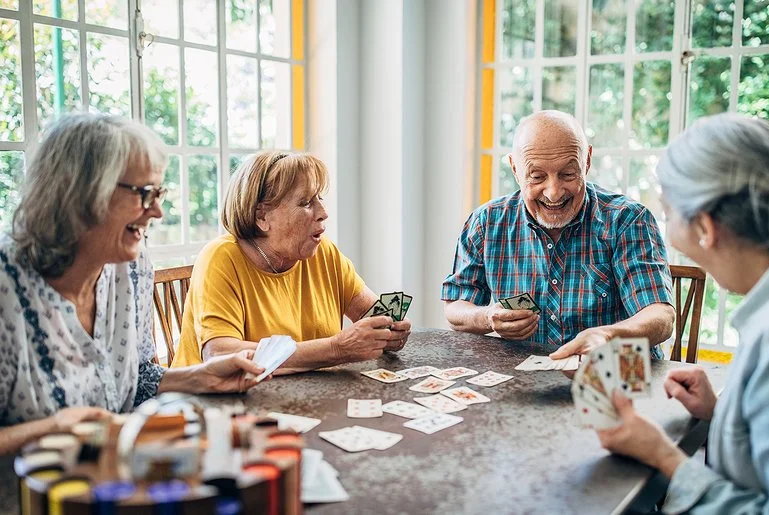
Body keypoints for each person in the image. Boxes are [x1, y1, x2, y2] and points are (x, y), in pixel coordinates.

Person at [0, 113, 269, 455]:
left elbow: (137, 378)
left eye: (159, 192)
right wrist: (51, 429)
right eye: (144, 193)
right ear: (79, 193)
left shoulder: (133, 266)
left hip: (111, 482)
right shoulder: (6, 286)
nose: (157, 211)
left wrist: (199, 376)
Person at [596, 114, 769, 513]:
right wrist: (724, 413)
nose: (668, 230)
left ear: (705, 227)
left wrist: (665, 457)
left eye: (669, 214)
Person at [442, 110, 674, 358]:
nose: (553, 193)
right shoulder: (485, 222)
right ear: (514, 169)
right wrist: (487, 317)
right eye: (537, 176)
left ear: (586, 162)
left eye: (567, 174)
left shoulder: (627, 220)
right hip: (524, 382)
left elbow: (661, 317)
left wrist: (607, 336)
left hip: (613, 376)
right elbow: (456, 306)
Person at [170, 151, 411, 371]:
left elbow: (371, 314)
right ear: (262, 217)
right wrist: (336, 349)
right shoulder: (221, 257)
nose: (323, 212)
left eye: (319, 198)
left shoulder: (323, 251)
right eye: (306, 203)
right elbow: (220, 353)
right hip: (214, 408)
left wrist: (390, 332)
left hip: (301, 401)